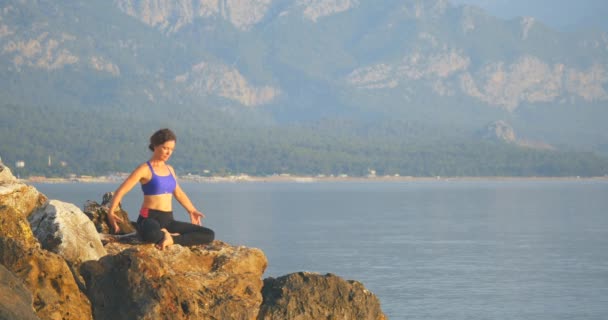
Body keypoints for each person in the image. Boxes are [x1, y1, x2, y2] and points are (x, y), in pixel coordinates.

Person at [106, 128, 214, 250]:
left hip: (168, 220)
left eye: (171, 149)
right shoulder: (144, 169)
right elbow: (121, 191)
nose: (169, 152)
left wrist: (192, 210)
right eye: (165, 148)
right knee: (151, 235)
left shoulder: (170, 170)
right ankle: (164, 235)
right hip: (148, 218)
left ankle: (171, 238)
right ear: (155, 146)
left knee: (208, 234)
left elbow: (178, 192)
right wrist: (111, 212)